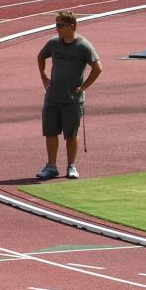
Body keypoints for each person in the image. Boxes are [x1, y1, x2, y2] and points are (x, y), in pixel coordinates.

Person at [35, 11, 101, 179]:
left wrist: (84, 86)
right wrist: (43, 76)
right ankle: (51, 166)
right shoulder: (53, 43)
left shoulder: (83, 46)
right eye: (56, 25)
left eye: (60, 26)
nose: (57, 29)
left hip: (72, 100)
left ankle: (71, 166)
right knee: (50, 132)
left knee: (71, 134)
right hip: (52, 98)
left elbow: (98, 68)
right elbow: (41, 56)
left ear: (71, 26)